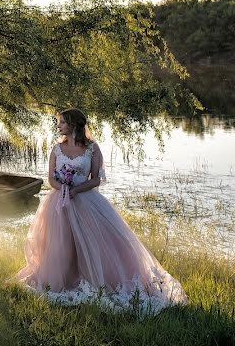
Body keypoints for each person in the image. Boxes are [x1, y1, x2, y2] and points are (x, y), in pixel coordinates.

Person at [16, 108, 186, 314]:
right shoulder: (56, 150)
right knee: (61, 243)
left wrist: (76, 189)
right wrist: (64, 189)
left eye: (62, 122)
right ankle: (62, 280)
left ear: (73, 124)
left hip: (86, 199)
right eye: (58, 123)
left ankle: (96, 280)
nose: (58, 126)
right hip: (59, 201)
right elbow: (51, 178)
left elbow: (96, 179)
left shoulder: (92, 149)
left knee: (93, 242)